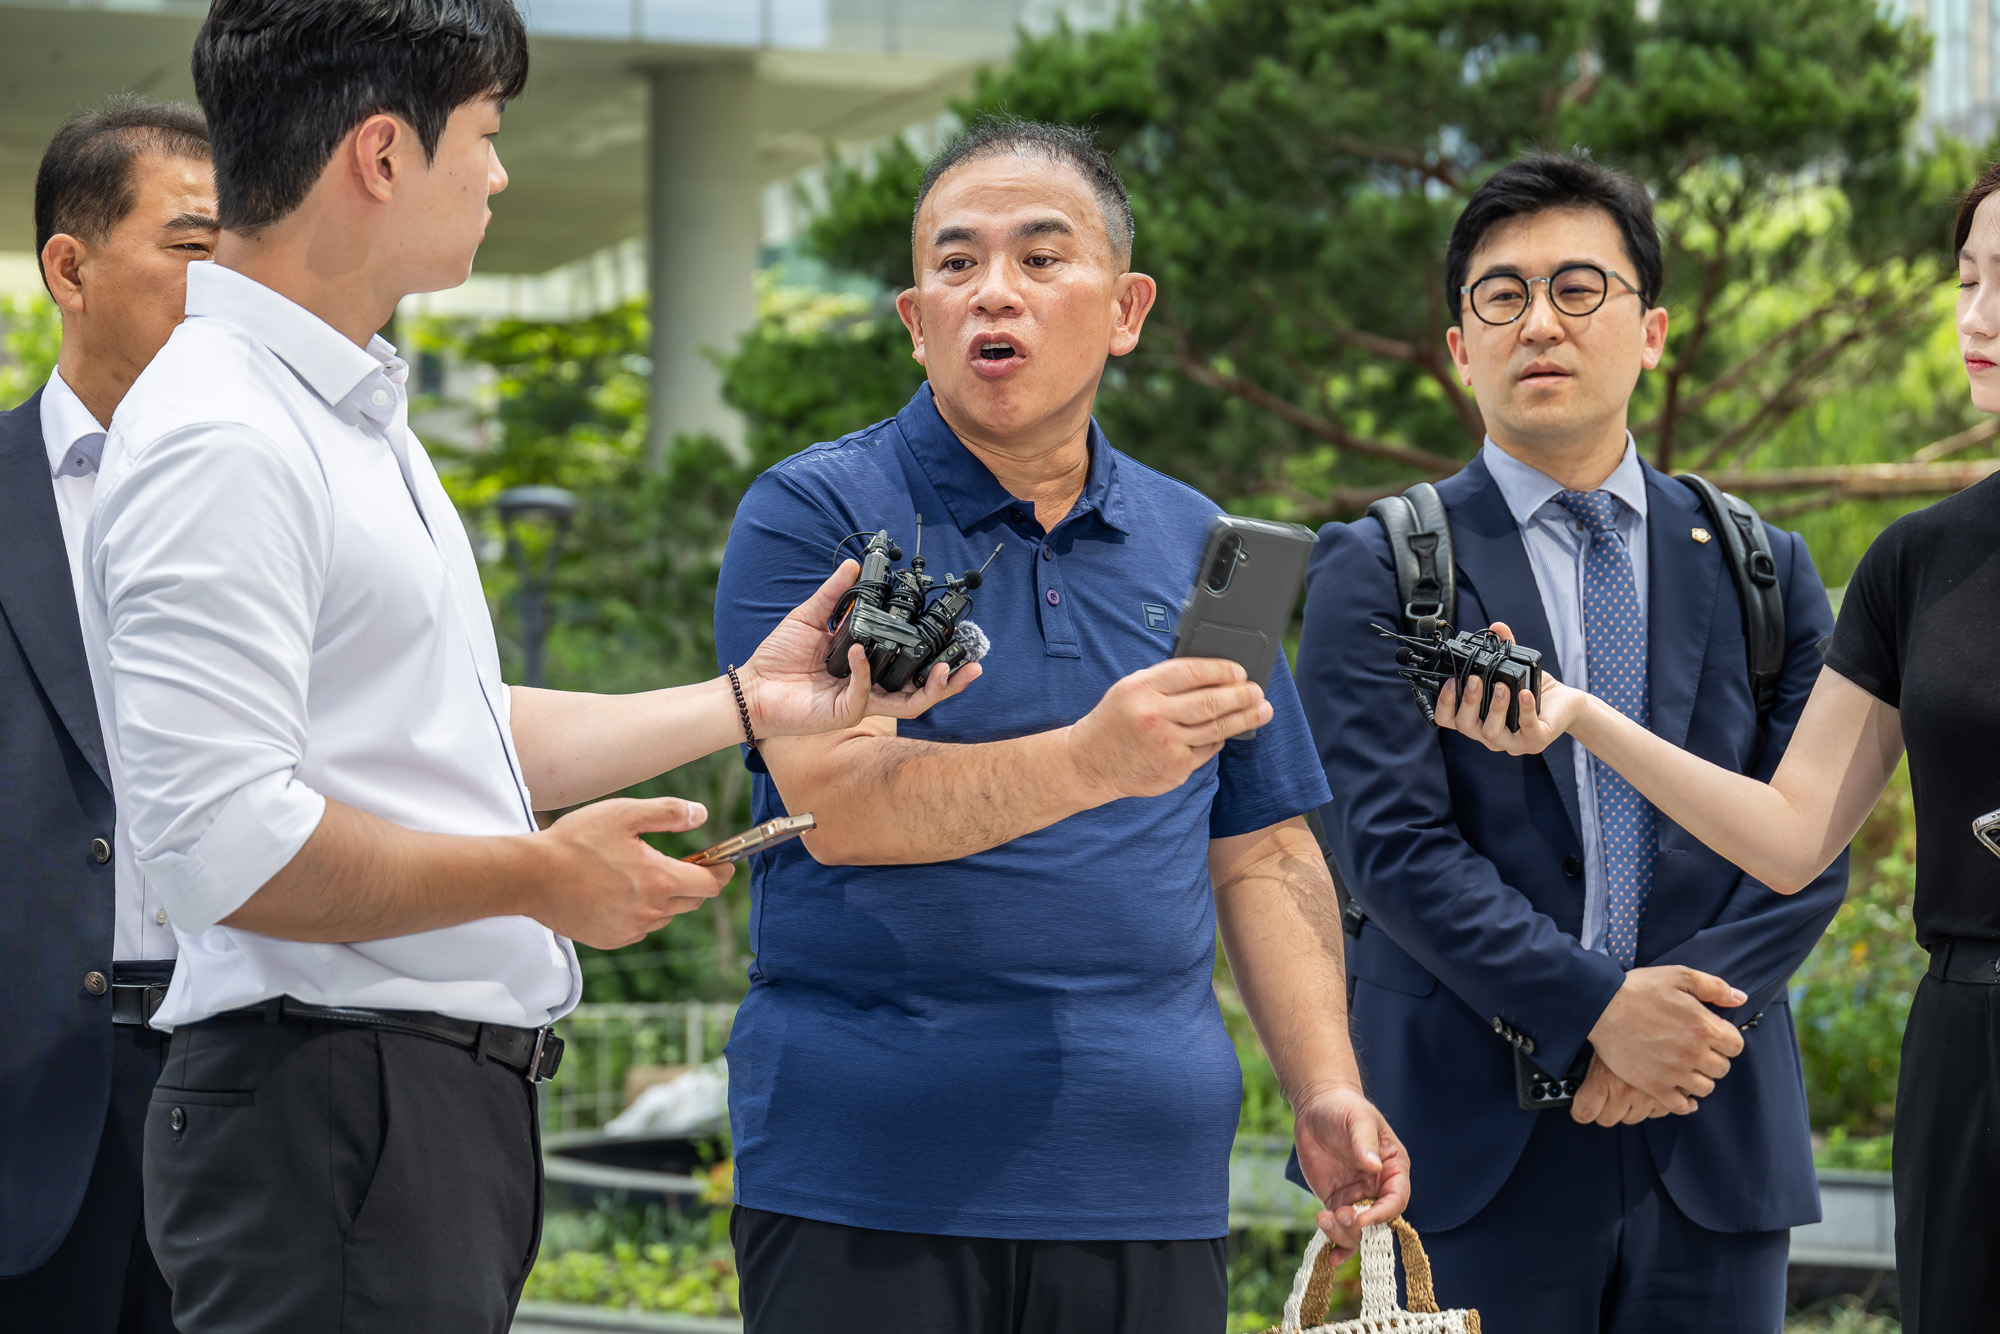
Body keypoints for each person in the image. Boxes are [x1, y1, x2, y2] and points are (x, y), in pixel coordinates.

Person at [83, 2, 971, 1328]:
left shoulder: (339, 411)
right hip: (333, 1109)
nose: (500, 172)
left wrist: (745, 701)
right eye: (488, 134)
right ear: (383, 153)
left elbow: (448, 731)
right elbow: (226, 843)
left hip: (387, 1111)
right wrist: (545, 876)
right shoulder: (229, 429)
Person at [712, 116, 1408, 1334]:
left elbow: (1261, 848)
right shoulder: (816, 511)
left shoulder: (1205, 547)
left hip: (1146, 1174)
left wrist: (1327, 1085)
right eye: (955, 262)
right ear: (912, 316)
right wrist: (1093, 756)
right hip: (866, 1175)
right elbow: (839, 810)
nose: (996, 292)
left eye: (1042, 258)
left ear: (1125, 308)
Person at [1431, 157, 2000, 1334]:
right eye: (1964, 280)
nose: (1977, 319)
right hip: (1971, 1041)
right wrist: (1582, 716)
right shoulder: (1918, 559)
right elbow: (1792, 835)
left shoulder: (1775, 561)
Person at [1295, 152, 1847, 1333]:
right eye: (1500, 295)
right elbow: (1386, 849)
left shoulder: (1762, 565)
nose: (1537, 320)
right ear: (1458, 347)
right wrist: (1597, 1006)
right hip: (1458, 1142)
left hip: (1712, 1132)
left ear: (1649, 331)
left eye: (1577, 288)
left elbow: (1815, 837)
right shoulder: (1383, 565)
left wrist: (1681, 1034)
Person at [0, 97, 216, 1334]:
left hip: (249, 1082)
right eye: (193, 248)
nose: (226, 283)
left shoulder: (291, 498)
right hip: (30, 1106)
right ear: (68, 268)